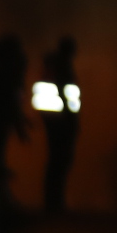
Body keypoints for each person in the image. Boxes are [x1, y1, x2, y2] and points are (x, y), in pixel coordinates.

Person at [31, 35, 81, 213]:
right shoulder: (62, 66)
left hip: (51, 119)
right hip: (61, 120)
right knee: (60, 159)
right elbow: (63, 90)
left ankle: (53, 200)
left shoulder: (51, 65)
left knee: (56, 159)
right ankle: (55, 200)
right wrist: (70, 116)